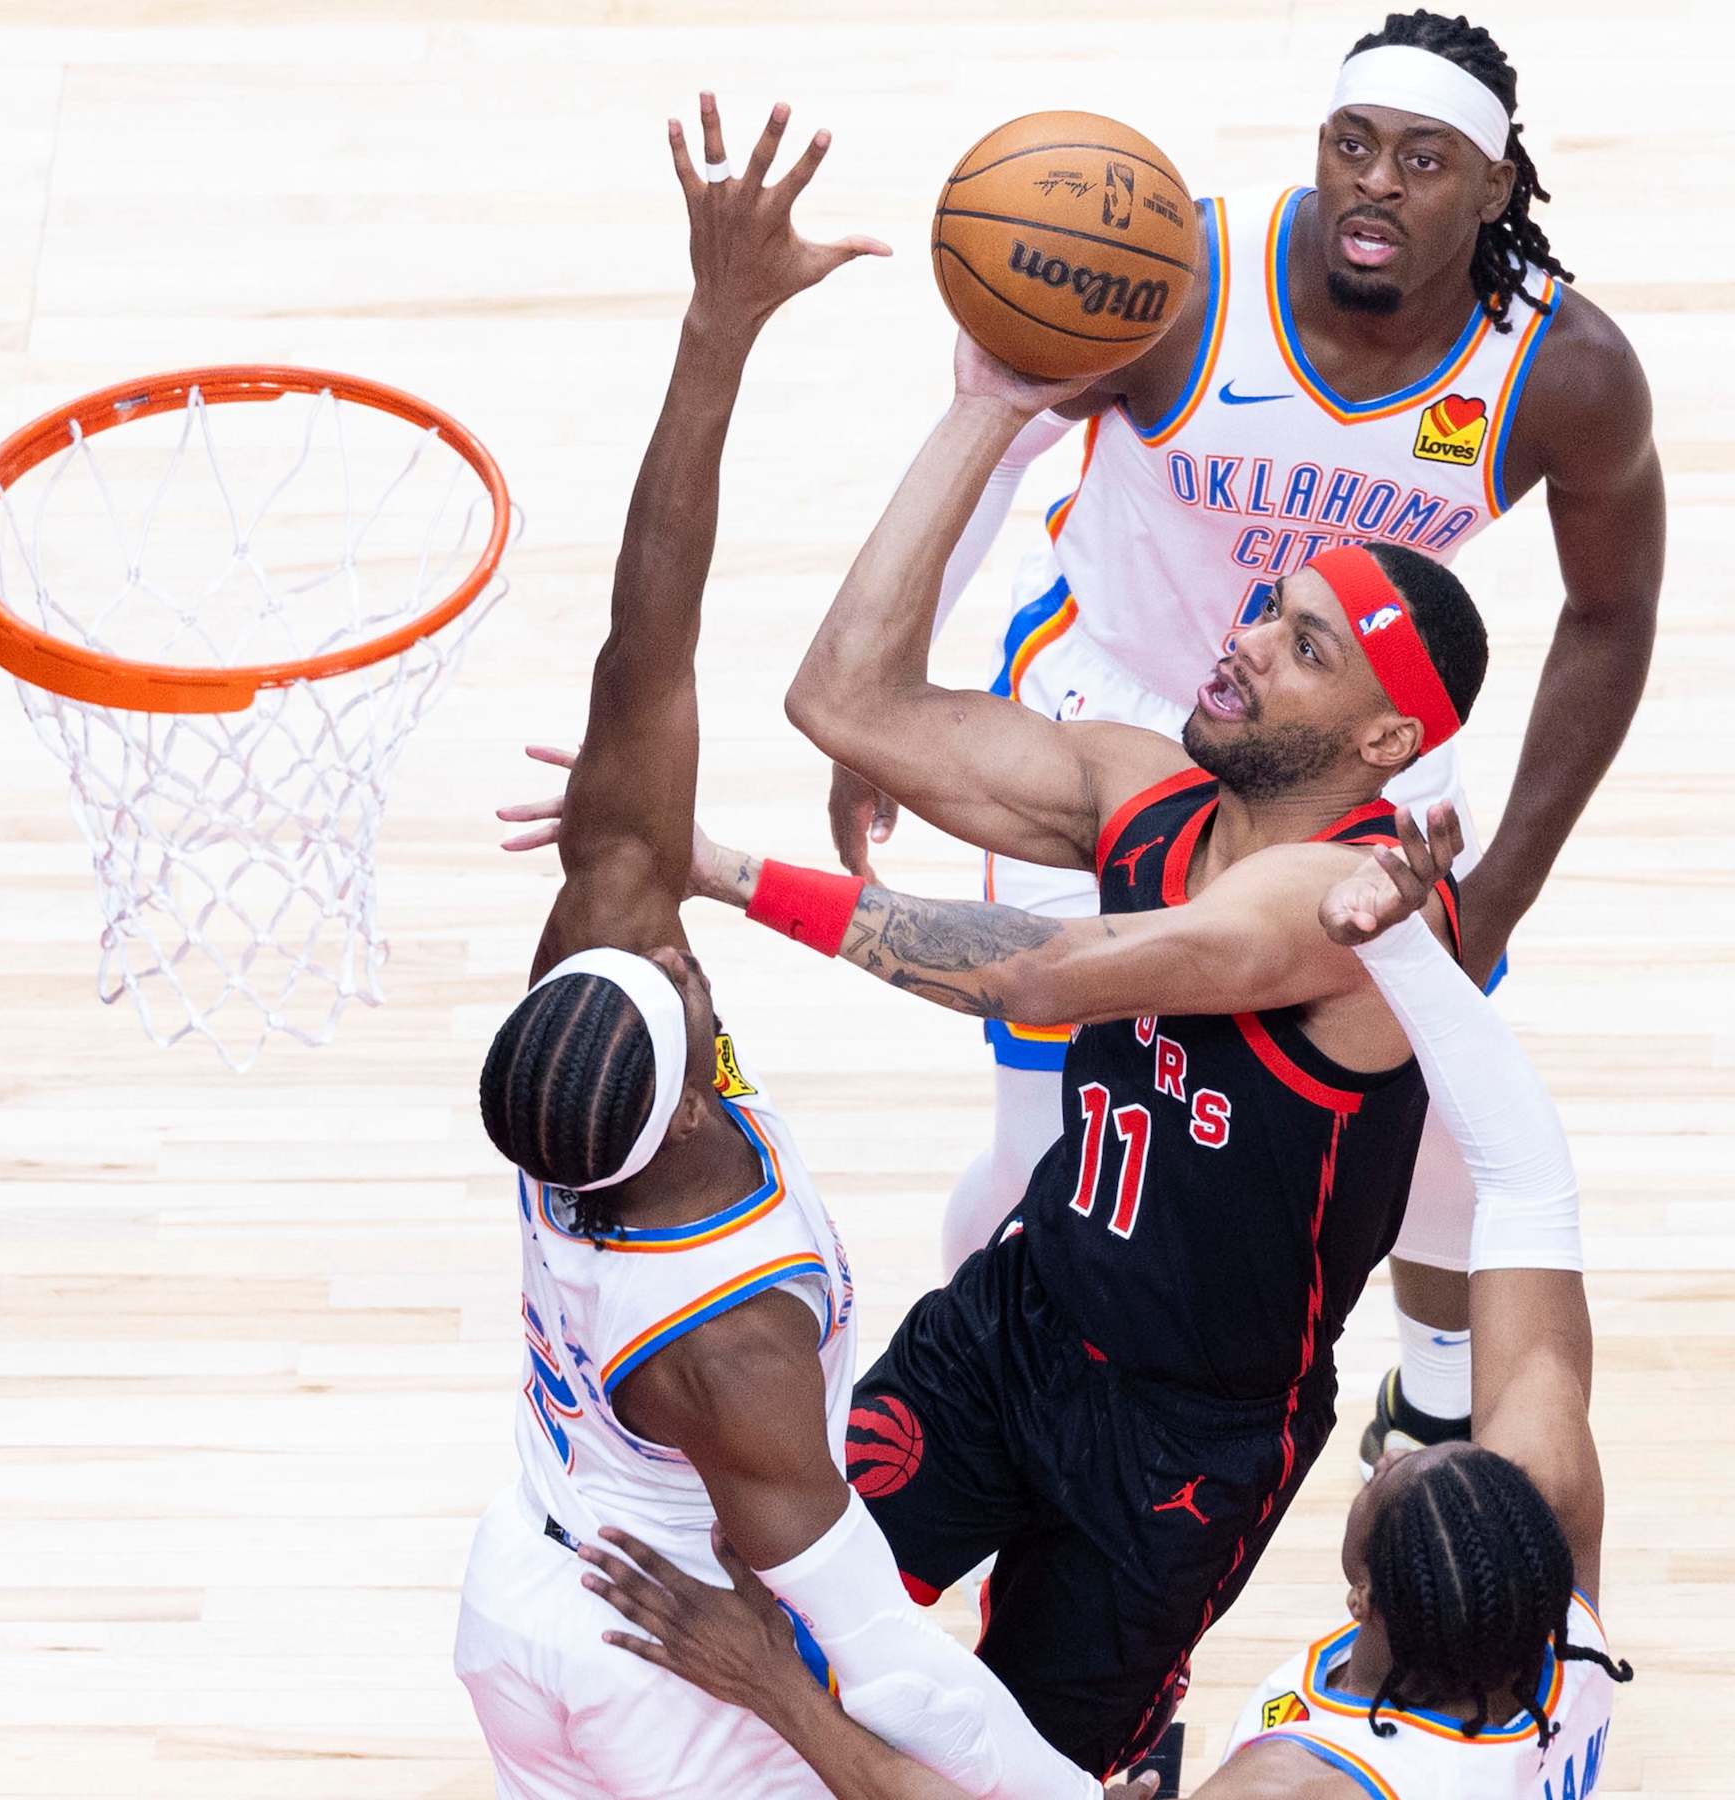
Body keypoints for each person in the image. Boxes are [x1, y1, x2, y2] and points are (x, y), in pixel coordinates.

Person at [510, 309, 1490, 1775]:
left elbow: (1038, 971)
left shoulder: (1346, 909)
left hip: (1186, 1441)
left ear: (1385, 742)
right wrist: (985, 410)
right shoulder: (1143, 791)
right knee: (772, 1617)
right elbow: (844, 701)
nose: (1243, 642)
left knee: (1009, 1771)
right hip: (1017, 1324)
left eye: (1305, 646)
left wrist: (736, 880)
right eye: (1265, 610)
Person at [829, 8, 1664, 1474]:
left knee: (1432, 1136)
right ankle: (995, 1403)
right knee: (1058, 1154)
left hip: (1356, 756)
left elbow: (1612, 614)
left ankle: (1436, 1395)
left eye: (1423, 159)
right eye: (1352, 144)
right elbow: (996, 445)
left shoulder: (1563, 373)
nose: (1375, 182)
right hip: (1112, 719)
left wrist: (1504, 894)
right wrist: (887, 707)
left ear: (1493, 186)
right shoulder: (1173, 283)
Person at [460, 93, 1099, 1800]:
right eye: (681, 986)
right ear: (680, 1101)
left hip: (524, 1594)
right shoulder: (731, 1337)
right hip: (666, 1667)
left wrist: (716, 326)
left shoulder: (587, 1066)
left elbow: (645, 645)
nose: (675, 953)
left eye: (655, 958)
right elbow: (883, 1657)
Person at [577, 827, 1633, 1800]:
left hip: (1196, 1449)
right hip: (1039, 1343)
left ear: (1364, 1602)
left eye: (1399, 1483)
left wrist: (774, 1688)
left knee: (976, 1734)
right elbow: (1529, 1180)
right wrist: (1403, 948)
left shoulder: (1292, 1786)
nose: (1411, 1455)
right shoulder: (1559, 1618)